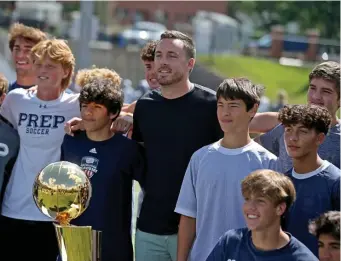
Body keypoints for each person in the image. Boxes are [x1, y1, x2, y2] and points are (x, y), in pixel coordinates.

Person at [132, 30, 222, 261]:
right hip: (149, 226)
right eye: (159, 55)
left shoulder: (212, 106)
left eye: (171, 55)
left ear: (190, 63)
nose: (162, 62)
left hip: (199, 228)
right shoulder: (144, 106)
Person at [175, 78, 277, 261]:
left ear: (253, 109)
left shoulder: (268, 163)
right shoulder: (199, 158)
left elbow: (274, 224)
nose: (225, 112)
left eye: (233, 105)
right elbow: (189, 217)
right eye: (220, 105)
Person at [0, 39, 79, 260]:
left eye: (50, 66)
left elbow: (113, 112)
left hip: (53, 214)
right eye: (39, 64)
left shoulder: (77, 104)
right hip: (12, 207)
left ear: (65, 71)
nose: (42, 71)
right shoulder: (16, 100)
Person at [60, 77, 146, 261]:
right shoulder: (70, 141)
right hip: (74, 239)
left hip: (112, 245)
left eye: (97, 107)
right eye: (84, 106)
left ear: (114, 112)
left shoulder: (128, 149)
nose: (88, 113)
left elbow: (152, 187)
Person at [205, 169, 318, 261]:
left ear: (280, 208)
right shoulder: (230, 242)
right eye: (247, 199)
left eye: (260, 201)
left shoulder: (302, 258)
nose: (250, 207)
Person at [252, 61, 340, 172]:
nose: (316, 96)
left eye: (326, 91)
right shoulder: (287, 126)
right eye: (312, 88)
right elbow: (250, 150)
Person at [278, 104, 340, 257]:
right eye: (288, 130)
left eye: (303, 131)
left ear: (320, 138)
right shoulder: (281, 183)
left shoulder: (336, 182)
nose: (292, 138)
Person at [7, 23, 47, 92]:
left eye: (28, 50)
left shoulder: (56, 97)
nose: (20, 55)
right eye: (17, 49)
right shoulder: (3, 94)